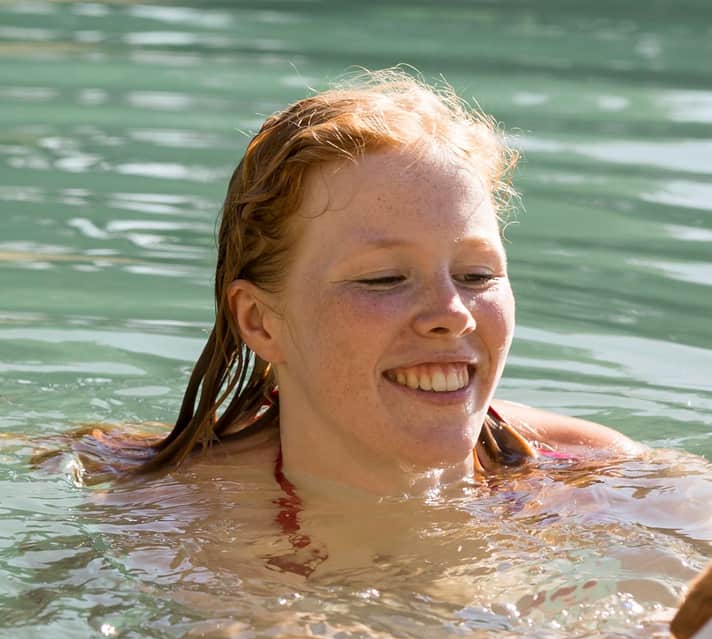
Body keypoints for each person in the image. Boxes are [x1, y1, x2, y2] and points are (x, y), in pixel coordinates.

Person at [91, 69, 641, 498]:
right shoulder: (160, 514)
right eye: (384, 279)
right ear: (261, 322)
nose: (453, 312)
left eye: (477, 275)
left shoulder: (613, 484)